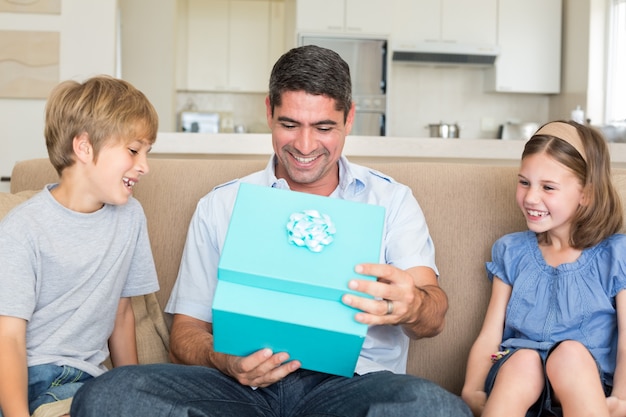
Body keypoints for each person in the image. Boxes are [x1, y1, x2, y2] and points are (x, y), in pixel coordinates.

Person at [70, 45, 471, 417]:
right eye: (290, 124)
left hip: (352, 389)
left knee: (439, 408)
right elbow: (186, 333)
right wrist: (224, 360)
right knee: (107, 396)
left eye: (325, 127)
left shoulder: (391, 201)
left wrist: (412, 305)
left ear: (350, 118)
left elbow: (433, 316)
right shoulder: (221, 205)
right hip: (239, 388)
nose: (305, 144)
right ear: (269, 112)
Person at [0, 75, 160, 417]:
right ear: (84, 147)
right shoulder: (24, 228)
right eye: (133, 150)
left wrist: (131, 394)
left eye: (146, 152)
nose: (144, 165)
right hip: (28, 376)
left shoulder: (130, 217)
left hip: (86, 383)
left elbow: (121, 314)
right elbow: (8, 339)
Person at [461, 120, 626, 417]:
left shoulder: (616, 254)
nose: (530, 197)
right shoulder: (512, 251)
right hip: (518, 382)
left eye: (548, 187)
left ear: (586, 194)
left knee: (571, 355)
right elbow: (490, 333)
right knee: (524, 361)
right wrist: (472, 389)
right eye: (524, 182)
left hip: (587, 386)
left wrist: (622, 397)